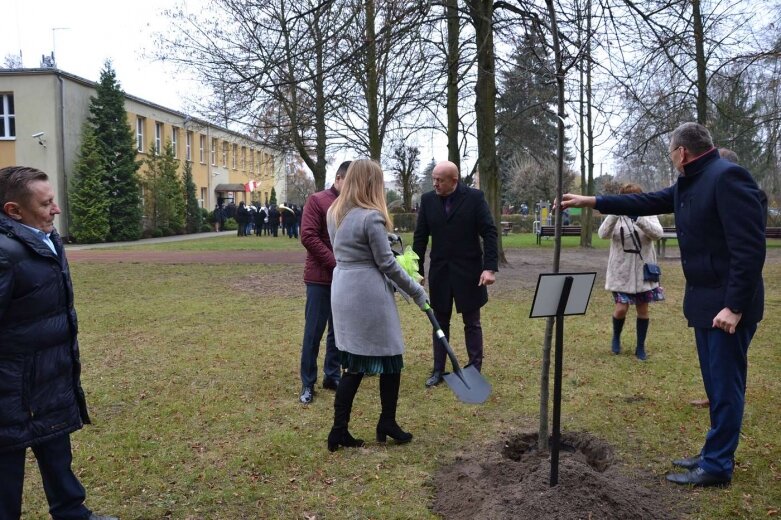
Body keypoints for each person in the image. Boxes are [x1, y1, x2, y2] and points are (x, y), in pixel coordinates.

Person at [561, 122, 765, 487]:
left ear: (681, 152)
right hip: (705, 302)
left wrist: (734, 306)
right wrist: (593, 201)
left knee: (726, 385)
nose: (671, 159)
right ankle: (712, 453)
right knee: (715, 386)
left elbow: (749, 248)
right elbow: (645, 201)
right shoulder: (693, 181)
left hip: (726, 307)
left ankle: (718, 465)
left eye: (671, 153)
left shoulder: (727, 177)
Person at [0, 166, 117, 520]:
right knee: (7, 467)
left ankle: (71, 512)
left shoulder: (42, 238)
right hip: (11, 385)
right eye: (46, 203)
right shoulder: (5, 254)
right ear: (13, 211)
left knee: (55, 448)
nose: (56, 209)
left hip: (48, 374)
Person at [326, 159, 428, 451]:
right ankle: (384, 421)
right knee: (389, 356)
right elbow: (387, 264)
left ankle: (342, 429)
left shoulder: (335, 213)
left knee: (355, 363)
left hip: (344, 287)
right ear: (371, 184)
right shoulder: (371, 217)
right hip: (367, 294)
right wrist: (417, 292)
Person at [412, 160, 498, 388]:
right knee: (439, 322)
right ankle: (438, 370)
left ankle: (474, 370)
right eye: (434, 180)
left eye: (440, 180)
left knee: (472, 322)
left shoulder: (474, 198)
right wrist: (416, 272)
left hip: (469, 272)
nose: (435, 184)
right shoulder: (428, 201)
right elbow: (420, 238)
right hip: (440, 272)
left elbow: (489, 232)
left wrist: (489, 268)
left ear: (454, 180)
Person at [298, 161, 351, 404]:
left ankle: (332, 374)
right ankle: (308, 383)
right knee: (314, 331)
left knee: (338, 331)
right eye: (349, 183)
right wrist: (335, 263)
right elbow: (308, 236)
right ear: (339, 178)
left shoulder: (351, 204)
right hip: (320, 278)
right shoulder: (317, 200)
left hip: (344, 277)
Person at [597, 183, 664, 360]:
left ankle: (640, 347)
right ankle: (616, 338)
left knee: (643, 309)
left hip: (643, 272)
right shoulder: (616, 216)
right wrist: (615, 212)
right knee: (621, 309)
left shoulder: (649, 213)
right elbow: (602, 234)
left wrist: (639, 219)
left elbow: (658, 234)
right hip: (621, 271)